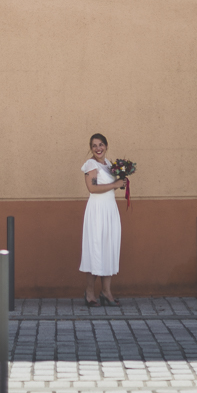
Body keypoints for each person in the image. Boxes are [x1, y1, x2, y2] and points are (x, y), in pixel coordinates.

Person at [80, 132, 126, 307]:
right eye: (94, 146)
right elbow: (92, 187)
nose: (98, 148)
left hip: (110, 210)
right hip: (97, 211)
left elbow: (110, 186)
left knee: (109, 248)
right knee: (96, 249)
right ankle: (90, 293)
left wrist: (121, 182)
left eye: (101, 145)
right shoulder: (91, 164)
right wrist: (115, 184)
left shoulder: (108, 164)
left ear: (106, 145)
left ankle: (106, 292)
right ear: (91, 149)